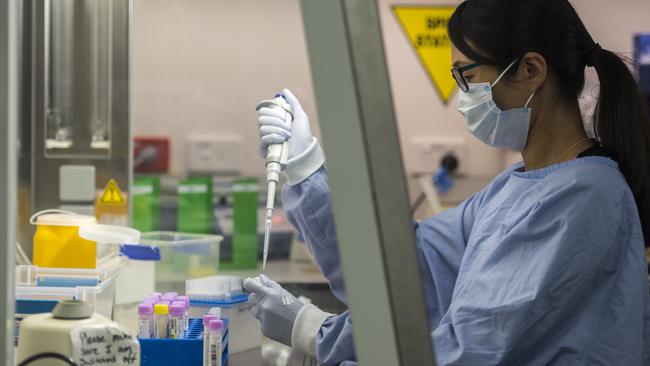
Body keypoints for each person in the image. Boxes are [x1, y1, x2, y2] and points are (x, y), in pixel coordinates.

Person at [244, 0, 650, 364]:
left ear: (531, 71)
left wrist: (316, 332)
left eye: (466, 76)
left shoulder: (584, 199)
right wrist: (306, 166)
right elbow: (413, 269)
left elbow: (469, 351)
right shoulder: (517, 185)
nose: (463, 96)